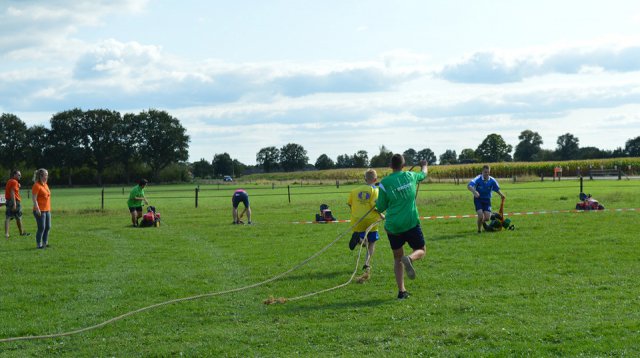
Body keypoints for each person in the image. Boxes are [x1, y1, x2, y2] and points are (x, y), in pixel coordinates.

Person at [376, 154, 428, 299]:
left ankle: (401, 291)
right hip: (410, 223)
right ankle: (410, 259)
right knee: (421, 250)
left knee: (397, 258)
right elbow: (423, 174)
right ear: (403, 165)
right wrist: (424, 164)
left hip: (393, 226)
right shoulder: (411, 176)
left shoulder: (384, 182)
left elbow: (380, 207)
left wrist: (376, 204)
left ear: (390, 166)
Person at [347, 169, 385, 273]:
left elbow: (349, 203)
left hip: (357, 219)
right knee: (372, 242)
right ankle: (367, 264)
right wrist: (382, 215)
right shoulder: (375, 190)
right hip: (371, 219)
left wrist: (356, 213)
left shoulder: (354, 190)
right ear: (375, 179)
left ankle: (359, 239)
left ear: (365, 179)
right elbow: (375, 205)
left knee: (364, 241)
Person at [467, 165, 506, 233]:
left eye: (488, 172)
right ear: (482, 172)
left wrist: (501, 195)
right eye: (485, 172)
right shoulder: (478, 178)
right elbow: (469, 186)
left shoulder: (492, 180)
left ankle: (486, 219)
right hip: (478, 199)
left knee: (487, 218)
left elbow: (496, 189)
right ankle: (479, 230)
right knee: (480, 215)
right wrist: (474, 191)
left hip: (487, 200)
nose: (487, 174)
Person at [5, 169, 29, 239]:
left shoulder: (9, 181)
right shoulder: (14, 182)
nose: (20, 176)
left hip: (8, 201)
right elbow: (12, 192)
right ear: (14, 175)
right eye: (18, 175)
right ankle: (21, 233)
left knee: (8, 217)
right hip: (15, 201)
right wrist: (14, 203)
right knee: (18, 217)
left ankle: (7, 234)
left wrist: (18, 185)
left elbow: (11, 190)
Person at [32, 168, 51, 249]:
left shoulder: (45, 185)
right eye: (45, 175)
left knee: (48, 227)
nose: (47, 176)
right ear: (41, 176)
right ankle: (38, 245)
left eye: (47, 175)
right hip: (40, 210)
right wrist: (37, 209)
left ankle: (45, 243)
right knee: (41, 227)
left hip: (47, 209)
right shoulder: (36, 185)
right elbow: (34, 198)